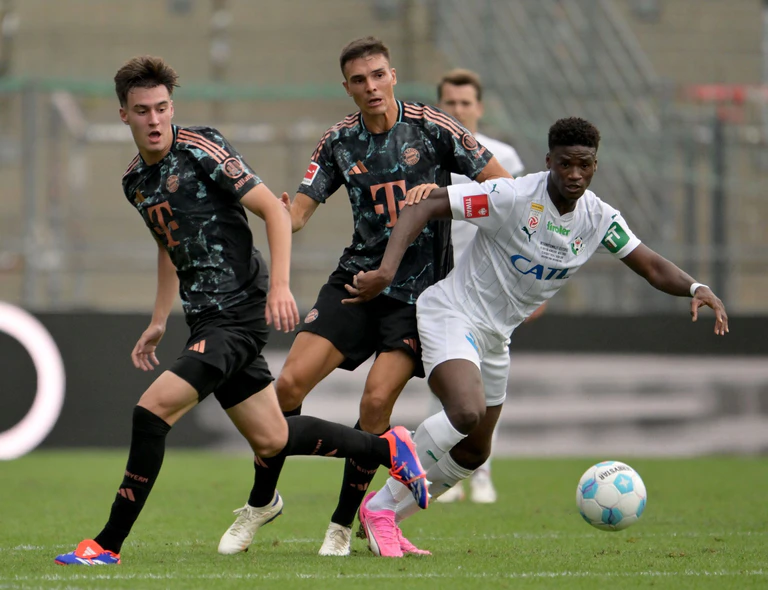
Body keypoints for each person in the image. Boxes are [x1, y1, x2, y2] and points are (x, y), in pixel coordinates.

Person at [54, 55, 429, 566]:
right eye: (142, 111)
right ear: (125, 116)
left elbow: (274, 208)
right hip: (203, 318)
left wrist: (280, 286)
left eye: (162, 108)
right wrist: (160, 318)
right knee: (274, 437)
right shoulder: (134, 182)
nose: (155, 119)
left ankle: (106, 545)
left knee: (151, 411)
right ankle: (389, 449)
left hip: (237, 313)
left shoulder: (201, 147)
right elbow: (168, 244)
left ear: (172, 108)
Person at [344, 116, 729, 557]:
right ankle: (381, 505)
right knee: (465, 412)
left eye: (584, 165)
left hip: (496, 336)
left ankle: (386, 514)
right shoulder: (510, 196)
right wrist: (386, 271)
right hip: (454, 313)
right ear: (549, 161)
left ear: (595, 166)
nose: (574, 175)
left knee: (474, 452)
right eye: (565, 164)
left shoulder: (599, 218)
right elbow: (421, 206)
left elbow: (652, 266)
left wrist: (696, 288)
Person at [218, 36, 511, 558]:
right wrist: (281, 213)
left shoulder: (434, 128)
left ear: (393, 75)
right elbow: (302, 212)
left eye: (378, 75)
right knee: (285, 388)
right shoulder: (339, 141)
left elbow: (504, 188)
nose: (371, 86)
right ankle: (262, 501)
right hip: (356, 284)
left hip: (418, 297)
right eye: (359, 79)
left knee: (376, 401)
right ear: (347, 87)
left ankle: (340, 524)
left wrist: (443, 198)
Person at [434, 68, 527, 504]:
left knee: (490, 386)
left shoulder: (503, 157)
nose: (458, 110)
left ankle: (482, 470)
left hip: (494, 291)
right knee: (449, 380)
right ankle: (449, 467)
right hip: (443, 285)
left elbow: (527, 222)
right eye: (450, 104)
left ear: (479, 107)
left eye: (465, 103)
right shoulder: (430, 155)